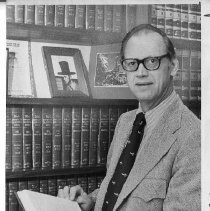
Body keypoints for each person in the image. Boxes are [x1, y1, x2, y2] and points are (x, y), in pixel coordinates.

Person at [58, 24, 201, 210]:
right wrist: (92, 201)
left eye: (151, 61)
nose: (141, 73)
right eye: (132, 63)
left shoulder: (194, 137)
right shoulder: (126, 122)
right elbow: (123, 189)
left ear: (173, 66)